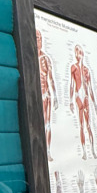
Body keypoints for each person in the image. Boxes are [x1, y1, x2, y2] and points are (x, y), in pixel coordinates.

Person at [68, 44, 97, 160]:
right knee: (81, 125)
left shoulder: (86, 70)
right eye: (77, 52)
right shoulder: (74, 68)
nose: (78, 54)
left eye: (79, 52)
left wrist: (95, 104)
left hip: (85, 97)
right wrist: (71, 101)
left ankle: (93, 150)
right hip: (78, 97)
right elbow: (72, 85)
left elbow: (90, 88)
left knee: (88, 125)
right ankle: (84, 151)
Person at [36, 29, 58, 160]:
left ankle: (48, 151)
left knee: (47, 124)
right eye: (37, 38)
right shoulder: (31, 59)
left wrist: (55, 96)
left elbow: (51, 79)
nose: (39, 41)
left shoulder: (45, 59)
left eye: (40, 38)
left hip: (46, 94)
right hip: (36, 95)